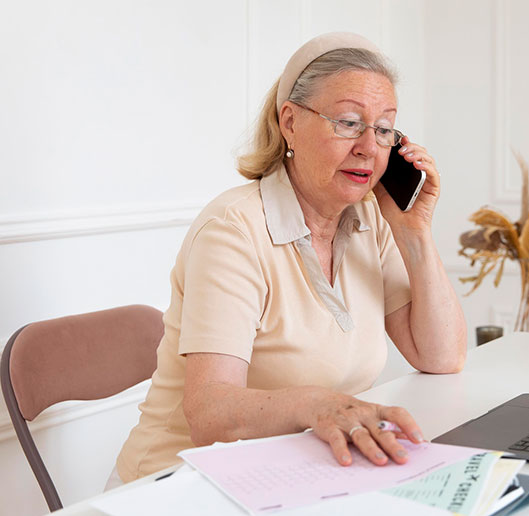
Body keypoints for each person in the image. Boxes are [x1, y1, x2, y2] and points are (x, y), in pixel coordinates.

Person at [112, 31, 467, 487]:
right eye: (348, 122)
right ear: (290, 122)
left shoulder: (372, 220)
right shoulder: (233, 230)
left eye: (383, 128)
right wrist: (317, 405)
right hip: (178, 484)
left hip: (291, 475)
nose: (369, 147)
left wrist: (413, 233)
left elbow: (441, 357)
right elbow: (209, 414)